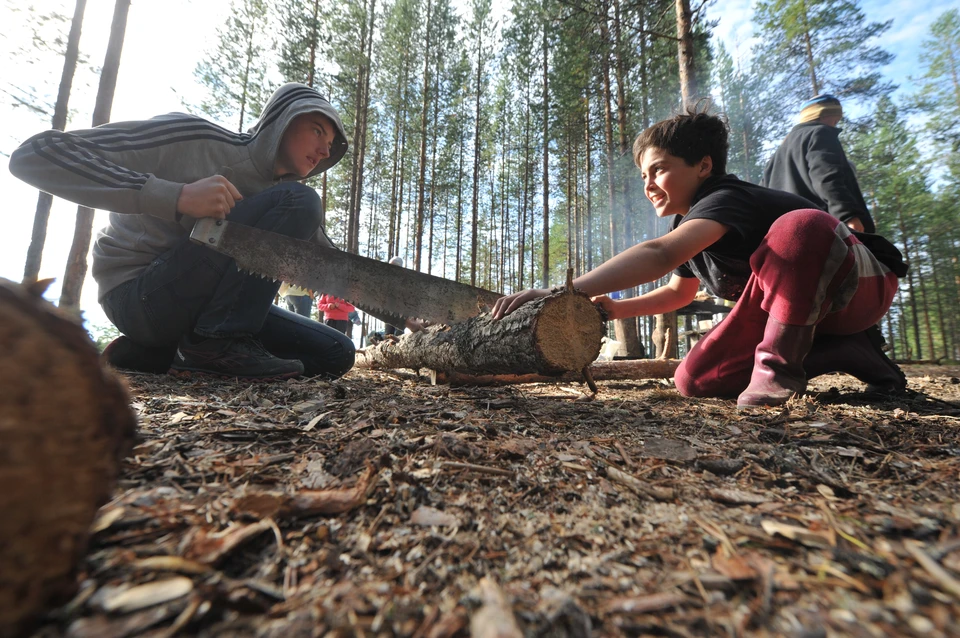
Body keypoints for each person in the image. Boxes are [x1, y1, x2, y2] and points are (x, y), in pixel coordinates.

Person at [493, 107, 907, 407]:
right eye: (643, 176)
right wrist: (618, 310)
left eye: (658, 170)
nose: (649, 185)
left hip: (862, 287)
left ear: (704, 165)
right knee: (694, 379)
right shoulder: (692, 228)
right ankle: (846, 351)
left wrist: (557, 292)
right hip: (809, 316)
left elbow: (660, 254)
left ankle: (780, 372)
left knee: (801, 227)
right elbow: (677, 292)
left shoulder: (727, 198)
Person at [9, 83, 356, 381]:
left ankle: (155, 354)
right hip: (136, 294)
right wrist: (175, 196)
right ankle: (213, 346)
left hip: (196, 309)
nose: (326, 150)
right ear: (283, 120)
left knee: (336, 353)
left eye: (330, 141)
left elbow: (337, 267)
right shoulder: (195, 138)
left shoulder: (282, 205)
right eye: (317, 130)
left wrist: (406, 313)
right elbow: (37, 153)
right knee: (301, 200)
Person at [761, 94, 874, 233]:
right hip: (820, 232)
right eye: (835, 120)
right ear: (823, 115)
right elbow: (826, 177)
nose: (836, 124)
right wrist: (848, 216)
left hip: (784, 239)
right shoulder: (820, 133)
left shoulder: (776, 155)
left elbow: (763, 197)